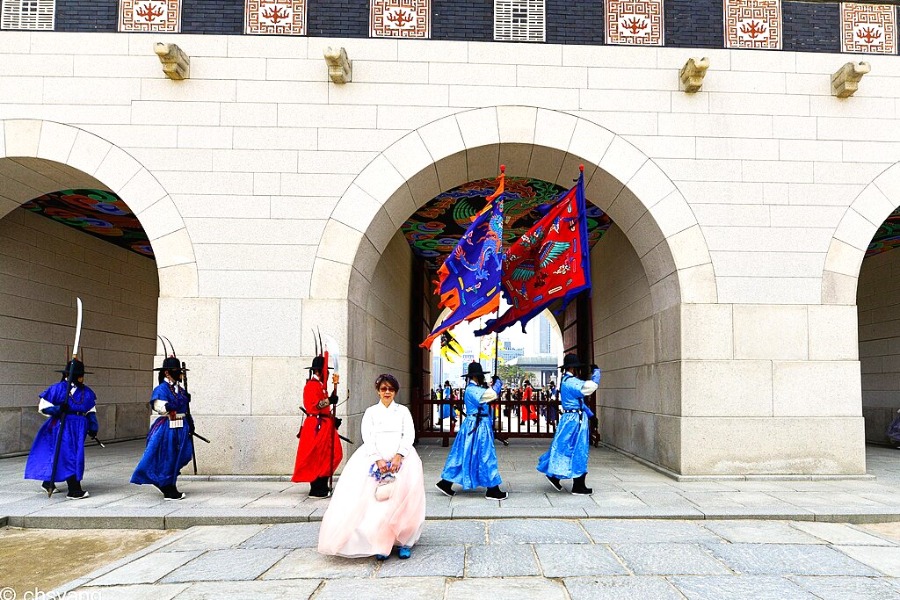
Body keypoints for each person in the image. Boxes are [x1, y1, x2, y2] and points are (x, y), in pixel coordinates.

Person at [318, 374, 425, 560]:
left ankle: (404, 541)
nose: (387, 392)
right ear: (378, 391)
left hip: (402, 458)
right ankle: (380, 542)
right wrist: (377, 459)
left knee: (404, 501)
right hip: (376, 458)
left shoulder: (402, 412)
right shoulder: (371, 412)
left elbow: (408, 434)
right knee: (376, 503)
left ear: (395, 392)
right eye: (384, 389)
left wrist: (400, 455)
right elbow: (367, 436)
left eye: (391, 389)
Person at [24, 359, 98, 499]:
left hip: (79, 428)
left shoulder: (86, 392)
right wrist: (57, 409)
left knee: (68, 454)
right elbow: (43, 407)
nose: (82, 378)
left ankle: (48, 481)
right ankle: (74, 489)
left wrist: (93, 425)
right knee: (69, 455)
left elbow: (90, 410)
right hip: (61, 426)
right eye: (79, 375)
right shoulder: (57, 389)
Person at [436, 361, 507, 500]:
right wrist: (498, 383)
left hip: (474, 425)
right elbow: (492, 394)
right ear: (477, 376)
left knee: (463, 454)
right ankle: (492, 489)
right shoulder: (473, 389)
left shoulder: (473, 388)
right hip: (478, 426)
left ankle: (446, 483)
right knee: (486, 455)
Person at [130, 355, 194, 500]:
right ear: (167, 372)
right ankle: (167, 486)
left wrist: (190, 422)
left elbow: (185, 410)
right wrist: (173, 404)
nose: (180, 373)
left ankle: (169, 483)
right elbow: (160, 407)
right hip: (167, 427)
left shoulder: (180, 390)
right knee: (167, 456)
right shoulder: (161, 389)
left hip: (181, 426)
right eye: (176, 370)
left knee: (181, 455)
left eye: (180, 371)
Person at [537, 354, 601, 495]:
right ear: (573, 368)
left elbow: (580, 403)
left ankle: (555, 475)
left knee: (563, 446)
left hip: (571, 417)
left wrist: (590, 415)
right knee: (578, 449)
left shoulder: (566, 381)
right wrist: (596, 373)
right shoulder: (571, 382)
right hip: (575, 420)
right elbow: (590, 387)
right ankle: (578, 485)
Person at [292, 355, 343, 497]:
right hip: (316, 425)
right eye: (326, 371)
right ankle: (317, 487)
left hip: (324, 424)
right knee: (318, 456)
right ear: (320, 372)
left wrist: (333, 419)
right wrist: (329, 400)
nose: (328, 374)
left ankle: (322, 484)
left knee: (331, 454)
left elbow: (323, 407)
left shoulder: (321, 386)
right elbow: (314, 406)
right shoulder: (311, 386)